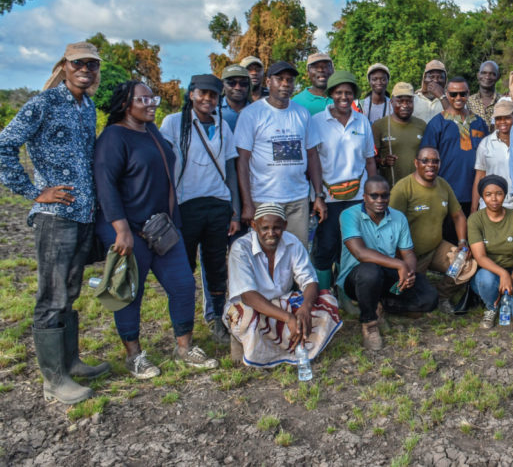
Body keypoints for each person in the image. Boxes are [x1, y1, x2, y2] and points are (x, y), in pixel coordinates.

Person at [0, 42, 108, 404]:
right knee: (52, 295)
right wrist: (33, 190)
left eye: (92, 65)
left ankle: (71, 362)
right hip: (55, 217)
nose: (86, 70)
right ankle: (54, 380)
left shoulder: (87, 106)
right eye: (79, 63)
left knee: (71, 291)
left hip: (82, 215)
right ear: (64, 66)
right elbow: (5, 144)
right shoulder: (43, 103)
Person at [94, 80, 219, 379]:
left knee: (183, 286)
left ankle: (185, 348)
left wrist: (173, 219)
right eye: (143, 100)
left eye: (154, 99)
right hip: (128, 230)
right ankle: (134, 355)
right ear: (126, 104)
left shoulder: (151, 131)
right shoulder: (114, 137)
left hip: (162, 228)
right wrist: (121, 228)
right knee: (130, 293)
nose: (151, 104)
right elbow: (106, 184)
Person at [159, 74, 241, 345]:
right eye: (202, 93)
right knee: (183, 269)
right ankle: (183, 326)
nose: (207, 99)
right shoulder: (173, 123)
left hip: (218, 204)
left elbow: (230, 169)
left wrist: (235, 211)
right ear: (191, 93)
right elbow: (163, 166)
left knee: (216, 266)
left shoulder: (221, 126)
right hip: (185, 205)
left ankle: (216, 317)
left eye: (213, 95)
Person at [224, 203, 341, 366]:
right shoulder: (241, 248)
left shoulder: (292, 242)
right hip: (253, 307)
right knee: (246, 316)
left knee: (327, 300)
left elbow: (309, 281)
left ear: (285, 226)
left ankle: (283, 347)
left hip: (282, 303)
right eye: (265, 228)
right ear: (254, 226)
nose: (271, 233)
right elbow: (248, 296)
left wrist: (305, 309)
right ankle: (253, 345)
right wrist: (288, 318)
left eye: (277, 228)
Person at [340, 176, 439, 349]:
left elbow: (408, 253)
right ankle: (369, 323)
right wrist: (399, 265)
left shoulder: (398, 217)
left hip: (385, 274)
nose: (380, 200)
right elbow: (360, 253)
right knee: (370, 272)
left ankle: (380, 304)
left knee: (429, 298)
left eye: (384, 196)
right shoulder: (349, 215)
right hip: (357, 279)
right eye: (374, 196)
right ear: (364, 197)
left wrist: (409, 273)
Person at [235, 61, 324, 246]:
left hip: (298, 200)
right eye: (280, 79)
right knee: (267, 254)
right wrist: (247, 203)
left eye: (289, 80)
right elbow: (242, 162)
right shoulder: (252, 114)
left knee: (297, 253)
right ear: (268, 82)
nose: (285, 84)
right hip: (264, 199)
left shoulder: (302, 114)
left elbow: (312, 156)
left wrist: (318, 195)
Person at [310, 70, 377, 295]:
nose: (344, 97)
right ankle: (323, 295)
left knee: (351, 246)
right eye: (339, 92)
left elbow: (369, 160)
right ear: (331, 94)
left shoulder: (362, 121)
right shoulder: (317, 122)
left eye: (348, 92)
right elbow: (314, 161)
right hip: (328, 198)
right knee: (326, 246)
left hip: (357, 197)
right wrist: (318, 195)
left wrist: (372, 193)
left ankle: (346, 292)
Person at [389, 148, 476, 314]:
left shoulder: (443, 185)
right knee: (408, 301)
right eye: (425, 160)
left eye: (435, 161)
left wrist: (462, 242)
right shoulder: (403, 188)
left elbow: (458, 216)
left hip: (436, 248)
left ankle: (442, 296)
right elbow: (389, 225)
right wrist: (399, 258)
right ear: (416, 163)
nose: (431, 165)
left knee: (466, 265)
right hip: (410, 256)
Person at [420, 76, 489, 233]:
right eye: (453, 94)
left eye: (462, 94)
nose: (458, 98)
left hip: (475, 193)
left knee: (473, 238)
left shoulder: (479, 122)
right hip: (446, 192)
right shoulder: (437, 123)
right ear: (446, 94)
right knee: (449, 241)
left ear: (468, 93)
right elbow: (426, 161)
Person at [468, 175, 513, 327]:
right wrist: (503, 274)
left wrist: (510, 279)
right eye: (488, 194)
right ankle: (492, 306)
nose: (494, 198)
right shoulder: (475, 220)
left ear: (505, 194)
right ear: (482, 197)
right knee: (485, 280)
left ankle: (507, 297)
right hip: (489, 272)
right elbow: (480, 257)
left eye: (498, 193)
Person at [372, 82, 425, 186]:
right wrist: (383, 161)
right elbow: (370, 160)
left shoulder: (422, 125)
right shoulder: (379, 126)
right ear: (391, 102)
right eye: (400, 101)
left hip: (417, 187)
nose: (405, 105)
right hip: (390, 189)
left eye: (409, 101)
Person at [471, 98, 513, 212]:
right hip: (490, 206)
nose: (502, 122)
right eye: (498, 118)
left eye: (507, 117)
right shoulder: (486, 144)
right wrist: (473, 208)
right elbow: (480, 176)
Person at [467, 60, 502, 125]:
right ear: (478, 75)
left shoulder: (503, 101)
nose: (487, 77)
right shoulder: (468, 102)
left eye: (492, 74)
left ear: (498, 77)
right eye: (483, 73)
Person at [219, 64, 251, 131]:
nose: (238, 88)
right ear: (223, 85)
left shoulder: (257, 111)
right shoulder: (214, 110)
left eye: (243, 83)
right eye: (231, 83)